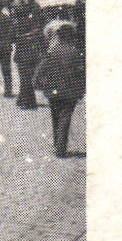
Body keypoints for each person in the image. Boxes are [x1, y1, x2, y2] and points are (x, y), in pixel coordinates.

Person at [33, 23, 85, 157]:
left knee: (55, 117)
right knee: (65, 118)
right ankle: (60, 148)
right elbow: (81, 74)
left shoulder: (52, 51)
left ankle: (58, 145)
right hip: (70, 92)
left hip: (53, 91)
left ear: (59, 37)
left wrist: (39, 83)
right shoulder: (75, 53)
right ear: (71, 37)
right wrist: (81, 91)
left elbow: (40, 70)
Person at [11, 0, 46, 110]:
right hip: (32, 52)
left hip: (22, 53)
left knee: (24, 77)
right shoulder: (33, 24)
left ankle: (30, 102)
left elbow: (12, 39)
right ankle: (22, 99)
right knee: (28, 77)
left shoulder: (17, 25)